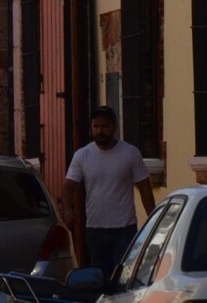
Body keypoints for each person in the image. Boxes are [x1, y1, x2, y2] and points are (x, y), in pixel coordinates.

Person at [61, 105, 155, 278]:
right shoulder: (83, 155)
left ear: (113, 127)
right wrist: (67, 209)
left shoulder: (130, 153)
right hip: (95, 228)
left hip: (124, 228)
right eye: (96, 126)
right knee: (100, 276)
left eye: (104, 126)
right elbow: (69, 186)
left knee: (122, 275)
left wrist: (153, 219)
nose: (99, 131)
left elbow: (144, 188)